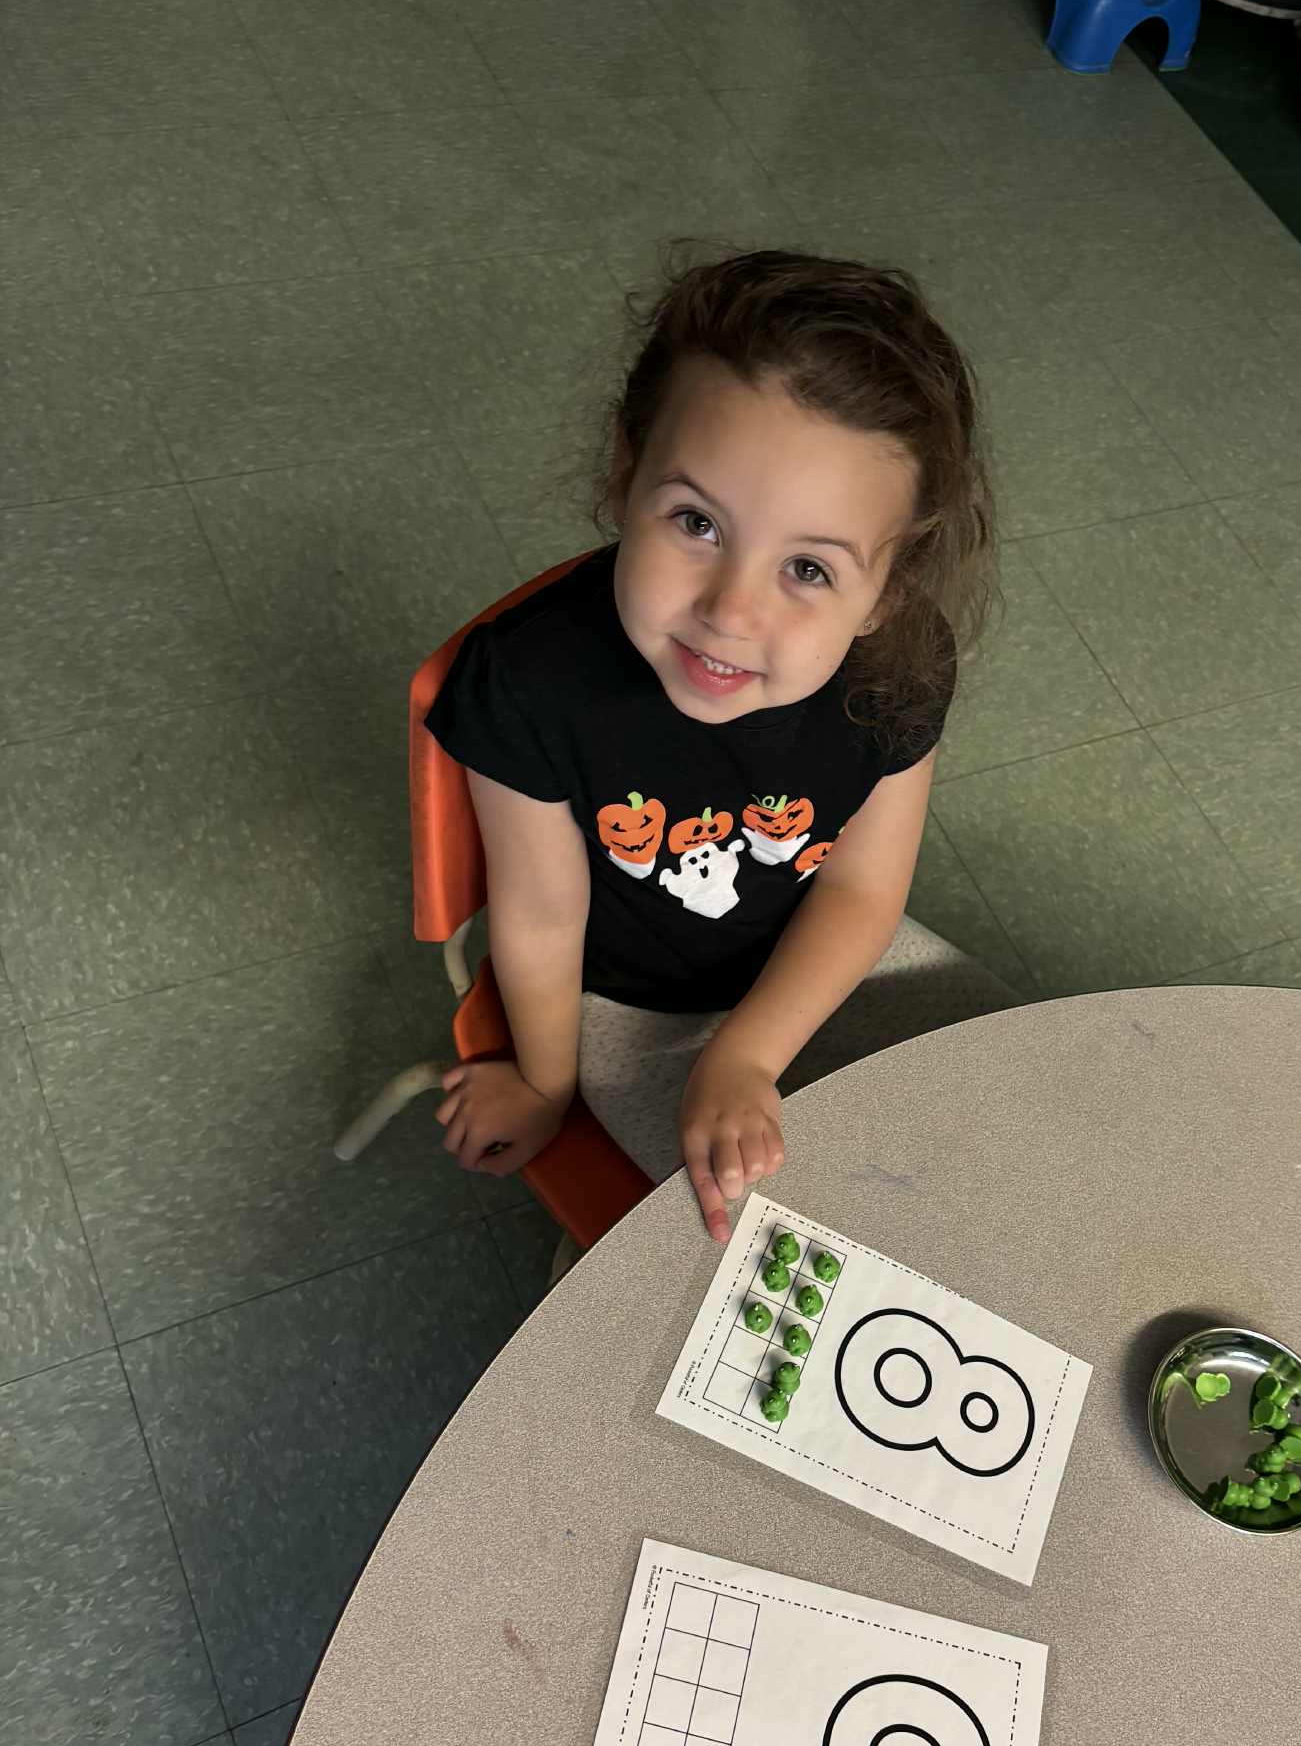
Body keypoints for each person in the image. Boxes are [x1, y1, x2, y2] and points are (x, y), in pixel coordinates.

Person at [425, 245, 1014, 1243]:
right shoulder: (528, 682)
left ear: (890, 589)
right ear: (626, 473)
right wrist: (543, 1086)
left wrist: (748, 1054)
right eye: (696, 521)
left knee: (1030, 1124)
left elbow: (863, 892)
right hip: (625, 1009)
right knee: (798, 1251)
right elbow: (542, 916)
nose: (731, 612)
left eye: (809, 569)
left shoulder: (899, 671)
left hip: (828, 965)